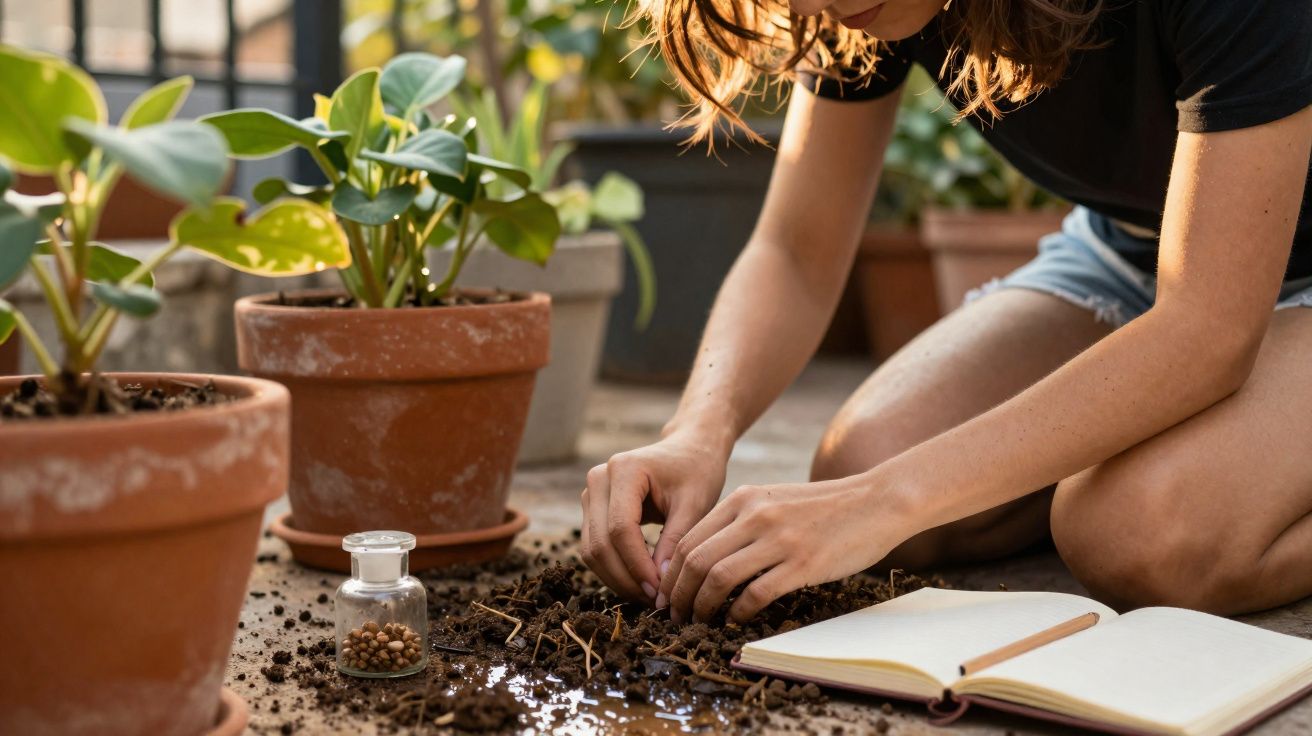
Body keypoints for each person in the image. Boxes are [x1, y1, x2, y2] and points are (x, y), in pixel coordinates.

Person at [579, 0, 1312, 625]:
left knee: (1139, 532)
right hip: (1136, 254)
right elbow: (798, 252)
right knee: (866, 456)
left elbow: (1207, 329)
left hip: (1220, 291)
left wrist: (882, 502)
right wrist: (697, 433)